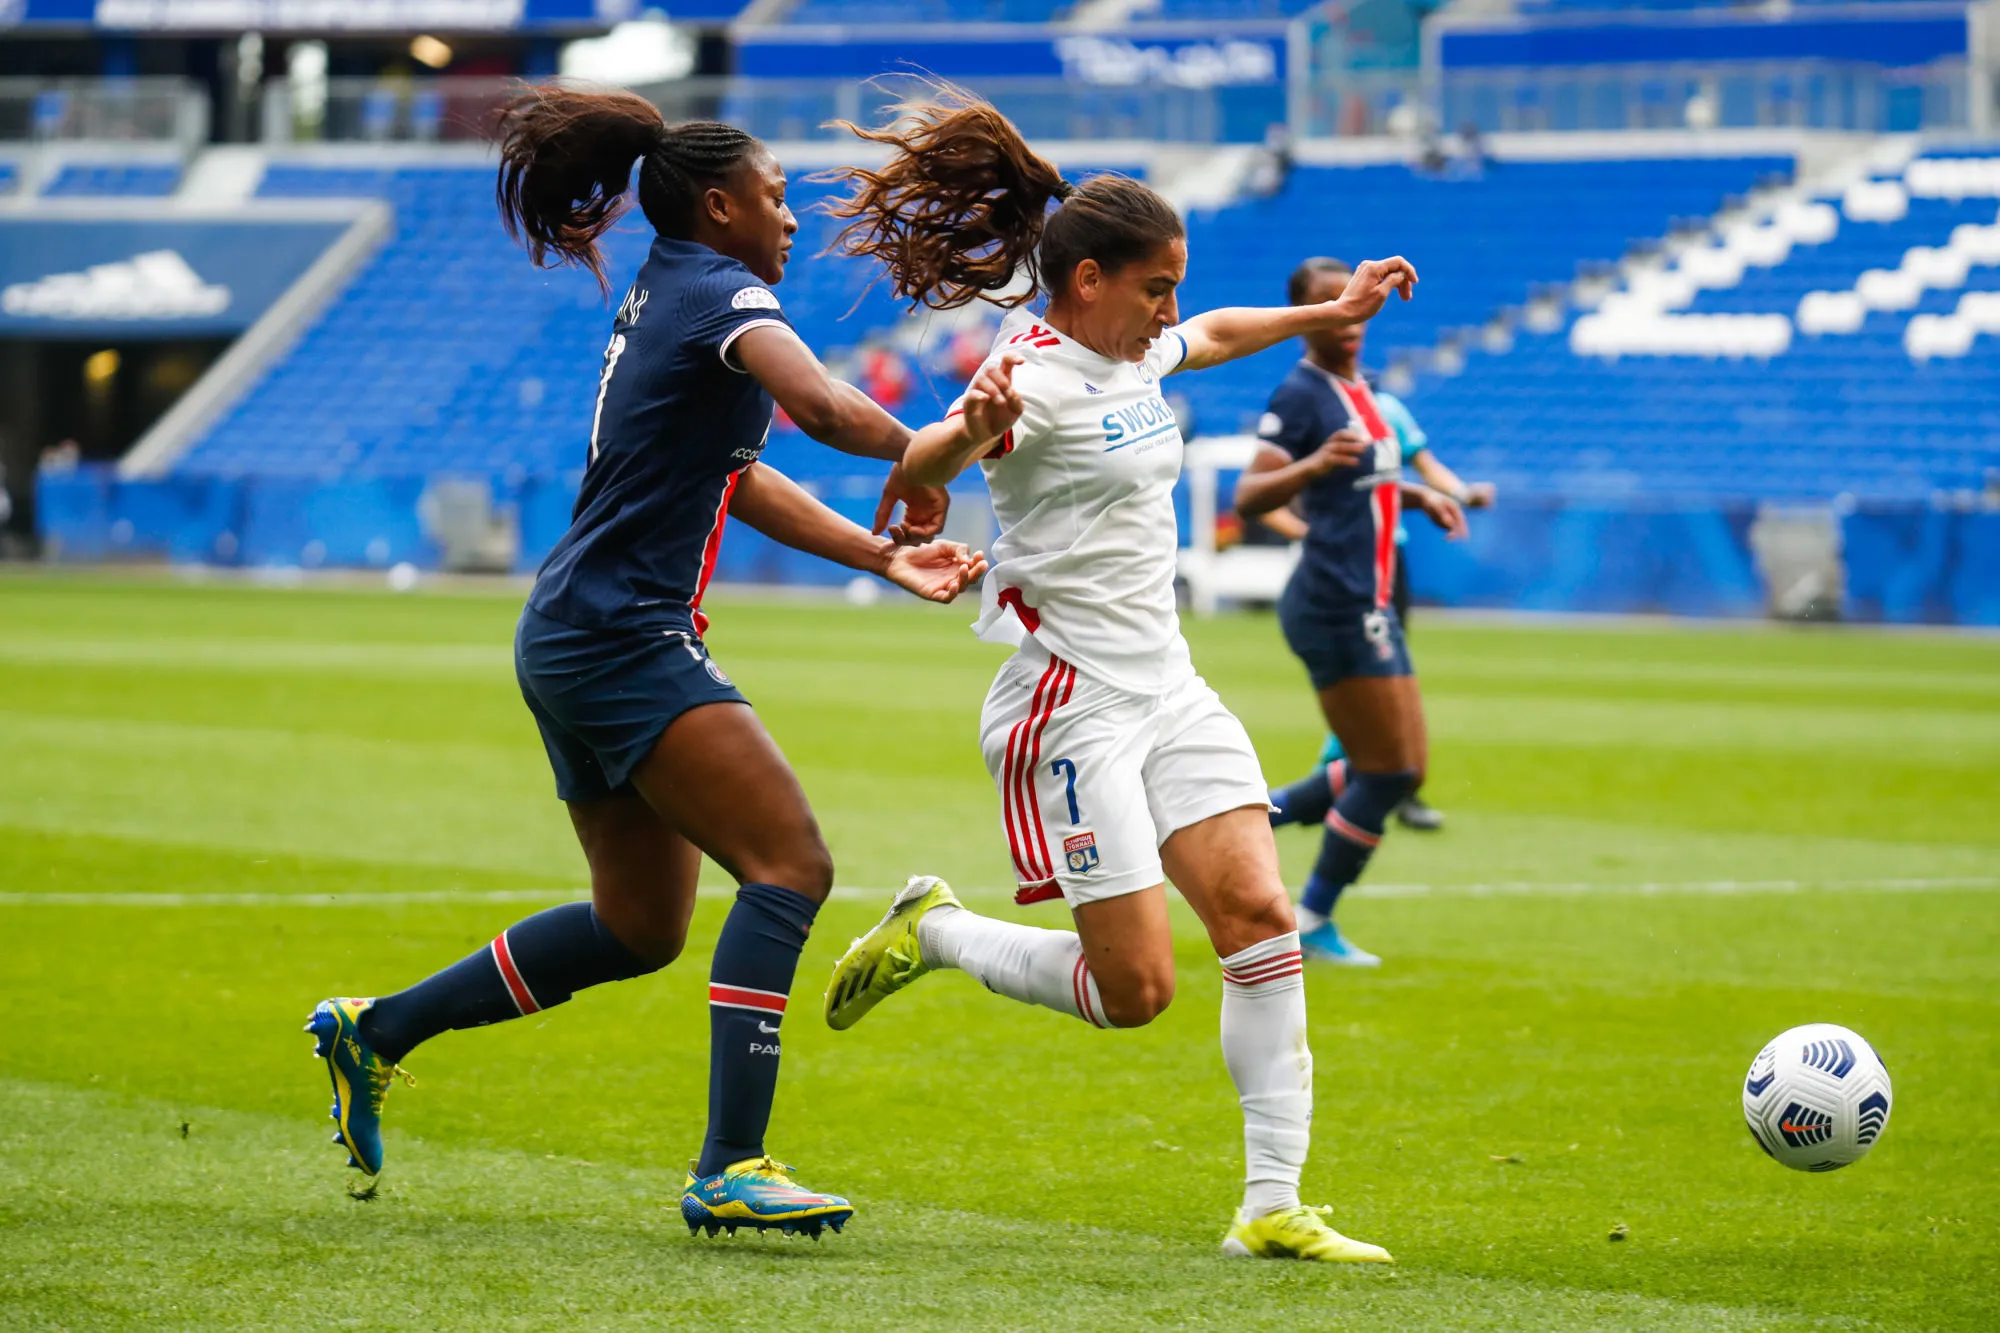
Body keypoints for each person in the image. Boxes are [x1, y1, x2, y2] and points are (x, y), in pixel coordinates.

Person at [304, 86, 1020, 1239]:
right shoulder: (722, 292)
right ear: (723, 205)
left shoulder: (668, 297)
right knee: (789, 863)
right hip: (621, 635)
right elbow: (823, 406)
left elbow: (735, 473)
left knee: (637, 926)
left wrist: (878, 552)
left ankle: (375, 1029)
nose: (790, 220)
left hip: (577, 632)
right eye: (779, 198)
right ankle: (731, 1163)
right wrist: (941, 445)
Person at [814, 86, 1418, 1264]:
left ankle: (1270, 1203)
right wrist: (954, 436)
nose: (1172, 310)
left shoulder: (1133, 351)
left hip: (1170, 686)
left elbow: (1223, 332)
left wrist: (1327, 311)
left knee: (1256, 916)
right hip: (1070, 700)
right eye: (1155, 288)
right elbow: (927, 461)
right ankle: (935, 931)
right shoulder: (1025, 378)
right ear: (1086, 281)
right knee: (1133, 990)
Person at [1234, 256, 1469, 969]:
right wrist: (1313, 467)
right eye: (1329, 304)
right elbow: (1249, 496)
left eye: (1354, 301)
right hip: (1332, 601)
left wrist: (1415, 495)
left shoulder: (1360, 390)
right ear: (1308, 317)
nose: (1349, 315)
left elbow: (1368, 477)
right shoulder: (1303, 392)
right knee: (1391, 772)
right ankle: (1309, 916)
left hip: (1366, 599)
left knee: (1395, 765)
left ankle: (1249, 819)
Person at [1311, 382, 1495, 833]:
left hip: (1388, 558)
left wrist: (1463, 493)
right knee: (1366, 671)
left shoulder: (1386, 407)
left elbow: (1424, 465)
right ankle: (1347, 780)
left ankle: (1368, 782)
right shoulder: (1312, 404)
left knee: (1387, 671)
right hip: (1344, 560)